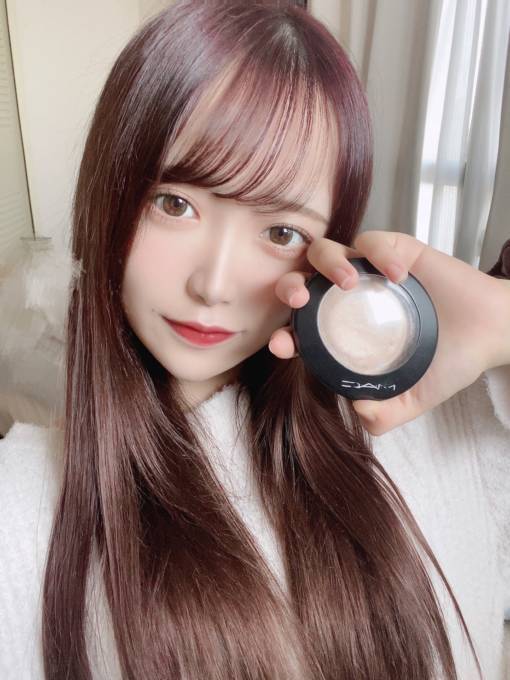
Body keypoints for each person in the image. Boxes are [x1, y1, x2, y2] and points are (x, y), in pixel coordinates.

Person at [0, 1, 509, 678]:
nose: (213, 285)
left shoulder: (434, 427)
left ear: (330, 247)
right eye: (175, 203)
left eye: (281, 231)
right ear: (111, 196)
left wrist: (502, 319)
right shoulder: (23, 506)